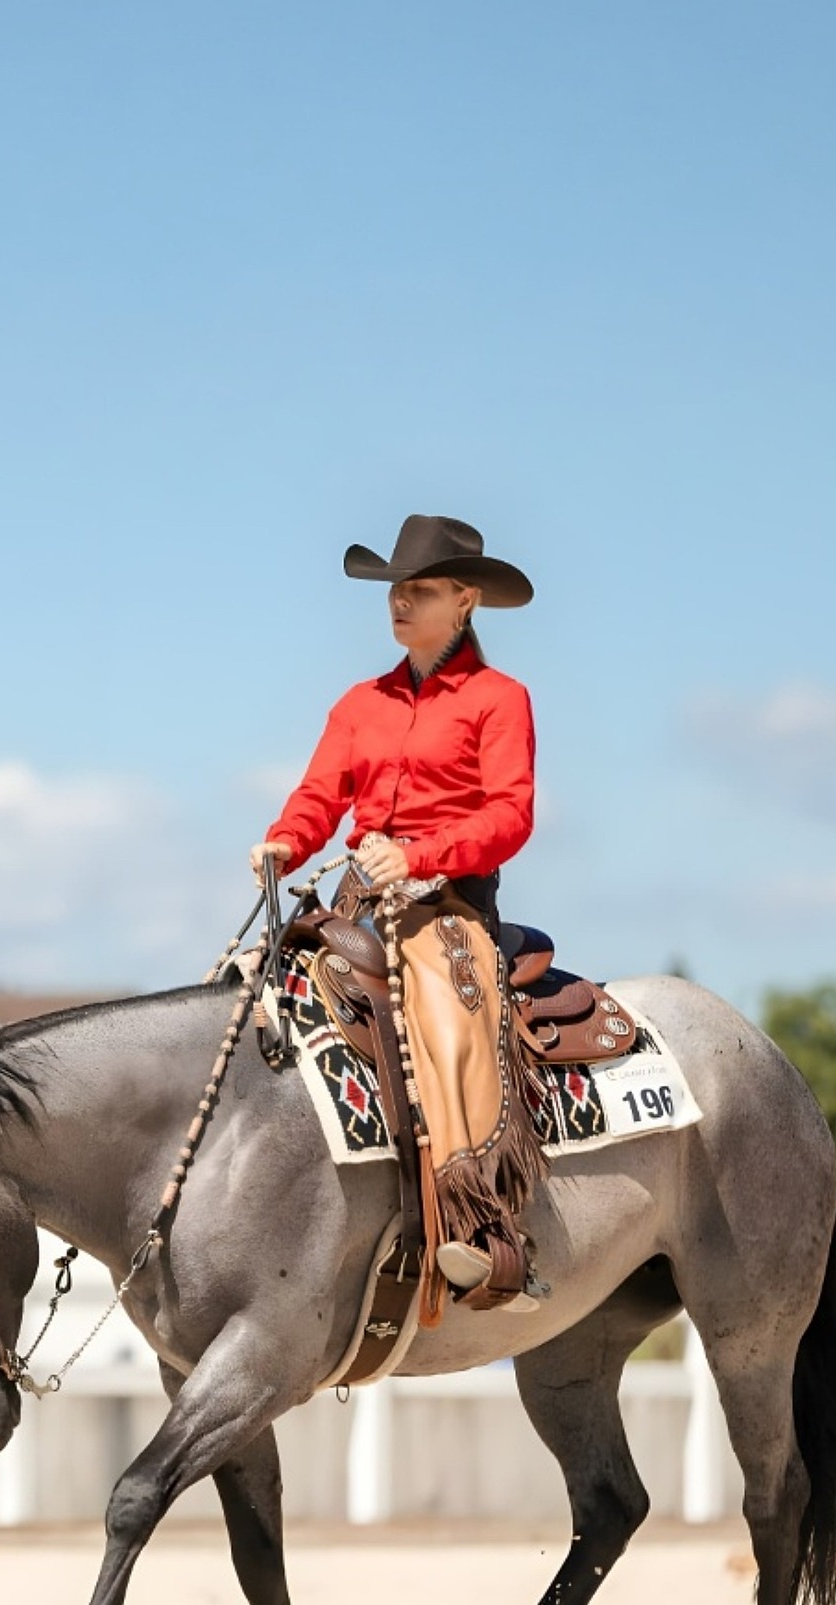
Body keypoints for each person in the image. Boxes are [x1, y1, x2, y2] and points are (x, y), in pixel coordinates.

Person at [251, 515, 542, 1312]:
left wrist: (421, 855)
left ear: (467, 600)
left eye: (419, 590)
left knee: (448, 1020)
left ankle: (485, 1227)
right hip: (359, 897)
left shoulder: (499, 699)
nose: (399, 604)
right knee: (253, 986)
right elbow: (320, 795)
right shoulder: (360, 703)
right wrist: (284, 840)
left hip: (448, 903)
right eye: (394, 590)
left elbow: (511, 815)